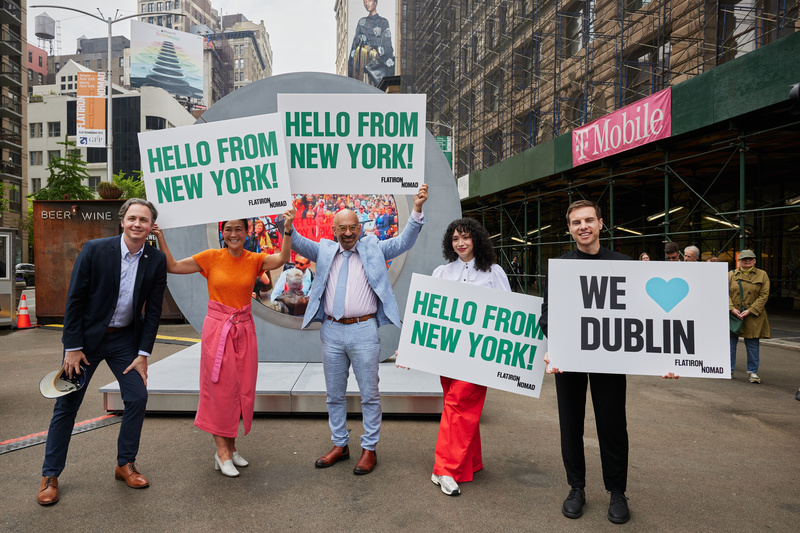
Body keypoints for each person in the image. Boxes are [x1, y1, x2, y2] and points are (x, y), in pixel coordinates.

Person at [539, 200, 677, 525]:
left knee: (613, 425)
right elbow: (548, 315)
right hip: (569, 358)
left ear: (601, 223)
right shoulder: (560, 266)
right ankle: (576, 488)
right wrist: (555, 346)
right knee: (570, 424)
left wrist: (666, 357)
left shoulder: (622, 264)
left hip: (610, 358)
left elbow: (642, 317)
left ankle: (617, 491)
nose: (583, 226)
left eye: (589, 220)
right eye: (576, 222)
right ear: (569, 228)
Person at [291, 184, 429, 476]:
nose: (349, 232)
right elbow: (298, 243)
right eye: (343, 228)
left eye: (353, 227)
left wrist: (416, 210)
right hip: (331, 332)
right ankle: (340, 445)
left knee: (370, 394)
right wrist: (285, 223)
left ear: (360, 227)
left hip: (364, 331)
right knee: (334, 395)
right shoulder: (325, 249)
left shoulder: (374, 247)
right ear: (334, 230)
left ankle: (369, 449)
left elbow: (404, 242)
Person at [38, 199, 167, 506]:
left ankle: (125, 464)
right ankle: (50, 475)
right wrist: (72, 347)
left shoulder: (156, 259)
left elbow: (154, 311)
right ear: (122, 221)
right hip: (86, 342)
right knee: (67, 405)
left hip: (125, 340)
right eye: (132, 218)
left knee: (137, 397)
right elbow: (75, 300)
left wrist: (143, 352)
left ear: (151, 227)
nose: (138, 224)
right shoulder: (95, 249)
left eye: (144, 220)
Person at [152, 209, 295, 477]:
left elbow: (282, 258)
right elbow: (172, 266)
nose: (232, 234)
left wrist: (287, 228)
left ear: (246, 232)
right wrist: (161, 237)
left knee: (240, 389)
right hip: (218, 330)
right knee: (219, 389)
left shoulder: (254, 259)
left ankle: (231, 446)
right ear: (222, 232)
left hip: (244, 329)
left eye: (238, 229)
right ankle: (221, 453)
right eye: (228, 229)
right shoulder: (210, 258)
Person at [429, 218, 511, 496]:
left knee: (458, 405)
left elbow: (508, 312)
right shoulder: (442, 271)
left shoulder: (493, 272)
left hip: (478, 354)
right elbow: (427, 312)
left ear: (477, 239)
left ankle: (445, 469)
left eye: (465, 237)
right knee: (461, 408)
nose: (460, 243)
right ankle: (470, 462)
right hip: (448, 353)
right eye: (455, 239)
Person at [729, 249, 771, 383]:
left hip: (753, 316)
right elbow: (724, 293)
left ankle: (753, 371)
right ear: (739, 261)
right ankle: (728, 369)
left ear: (755, 260)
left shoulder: (762, 274)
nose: (747, 261)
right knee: (730, 344)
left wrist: (750, 310)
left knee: (752, 344)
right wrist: (731, 309)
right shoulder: (731, 274)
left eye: (750, 259)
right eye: (744, 259)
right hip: (734, 315)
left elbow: (764, 295)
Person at [348, 0, 395, 86]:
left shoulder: (383, 22)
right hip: (361, 60)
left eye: (369, 1)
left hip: (375, 61)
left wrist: (389, 68)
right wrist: (350, 66)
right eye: (364, 2)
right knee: (362, 87)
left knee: (374, 86)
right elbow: (354, 44)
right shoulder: (361, 22)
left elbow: (387, 44)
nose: (366, 4)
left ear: (375, 2)